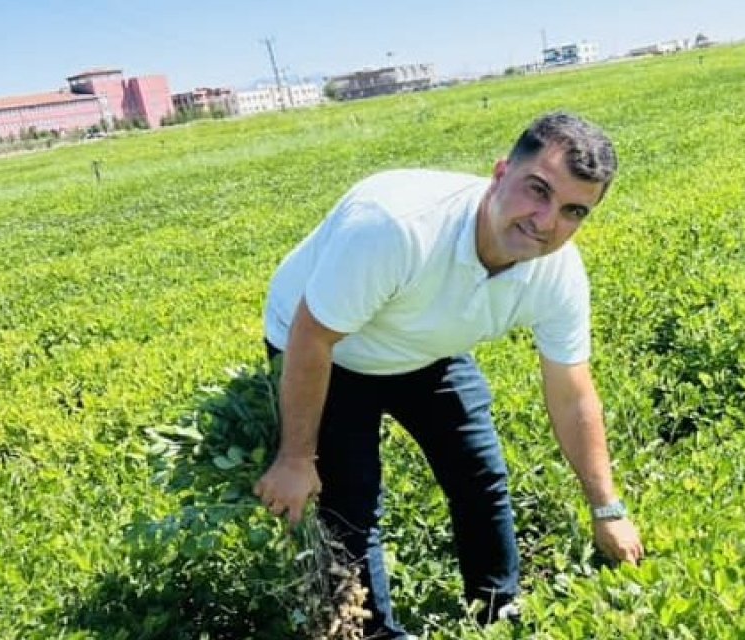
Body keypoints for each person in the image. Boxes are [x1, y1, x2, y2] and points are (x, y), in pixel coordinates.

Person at [254, 111, 645, 638]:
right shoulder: (397, 227)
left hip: (426, 345)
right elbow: (312, 336)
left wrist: (607, 508)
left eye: (574, 210)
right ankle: (371, 633)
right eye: (538, 190)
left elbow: (573, 393)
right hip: (332, 349)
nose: (547, 221)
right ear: (501, 171)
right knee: (352, 501)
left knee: (479, 473)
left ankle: (497, 612)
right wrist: (296, 458)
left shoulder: (558, 273)